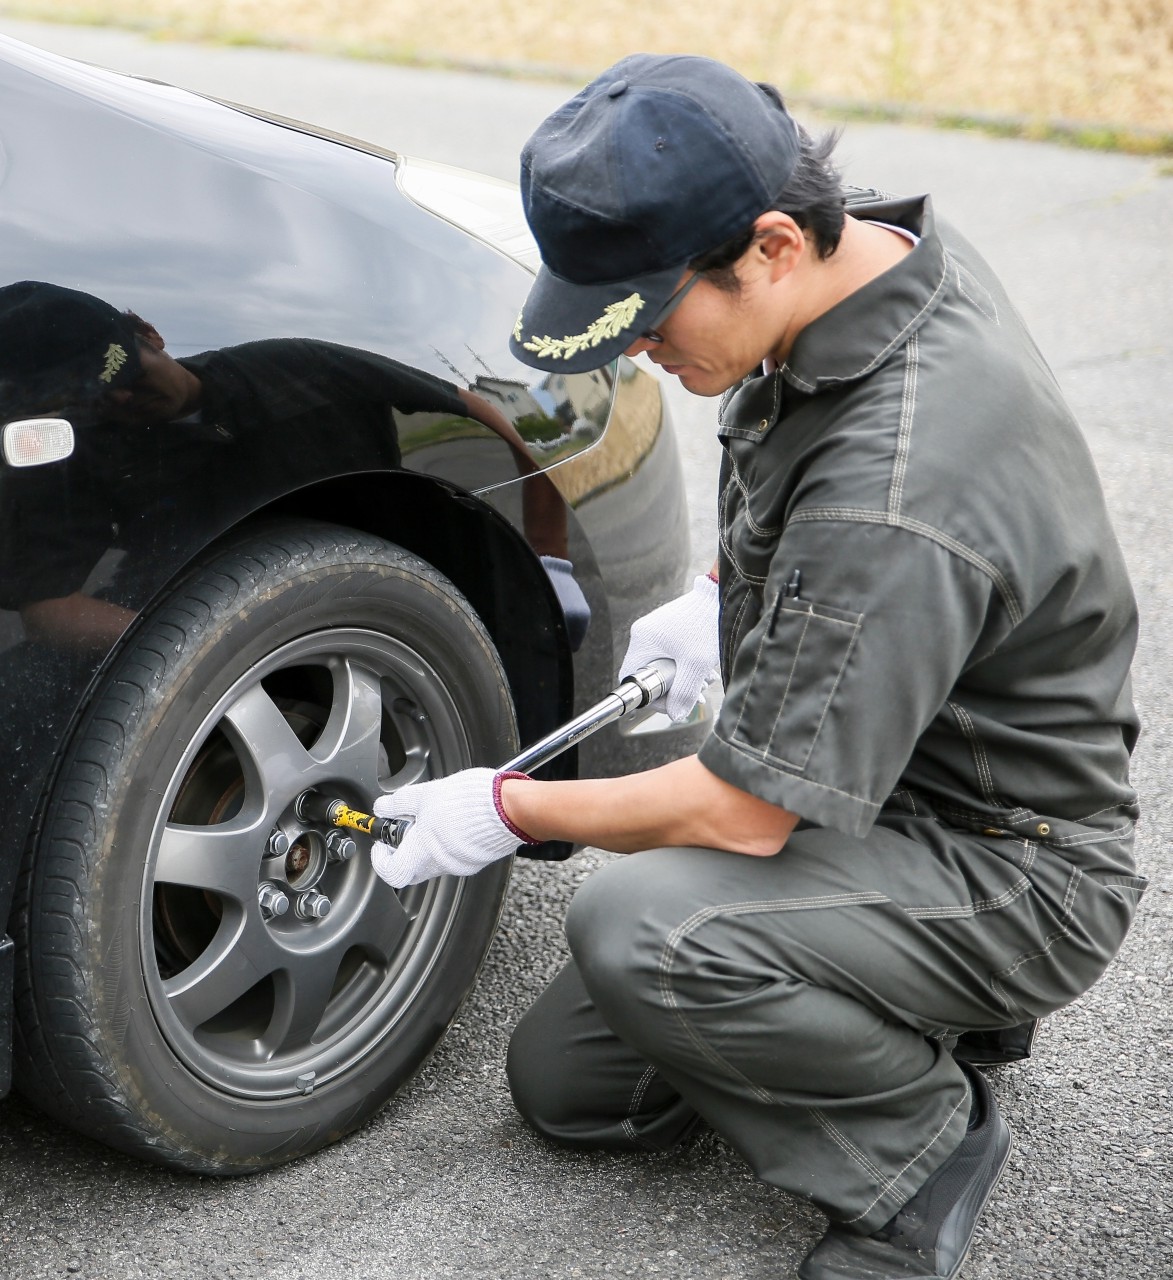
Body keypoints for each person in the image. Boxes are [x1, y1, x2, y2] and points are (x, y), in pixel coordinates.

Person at [367, 54, 1146, 1279]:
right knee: (570, 1089)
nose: (643, 354)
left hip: (1011, 859)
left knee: (636, 924)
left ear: (773, 244)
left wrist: (503, 807)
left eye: (650, 320)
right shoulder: (870, 267)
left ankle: (917, 1150)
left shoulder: (897, 485)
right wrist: (718, 598)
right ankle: (899, 1007)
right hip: (896, 785)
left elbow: (741, 809)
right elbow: (804, 480)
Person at [0, 281, 590, 652]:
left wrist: (549, 559)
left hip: (383, 598)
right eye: (100, 398)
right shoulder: (84, 457)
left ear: (149, 335)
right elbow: (52, 611)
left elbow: (499, 416)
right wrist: (195, 649)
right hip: (205, 627)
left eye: (126, 376)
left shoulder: (294, 367)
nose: (125, 400)